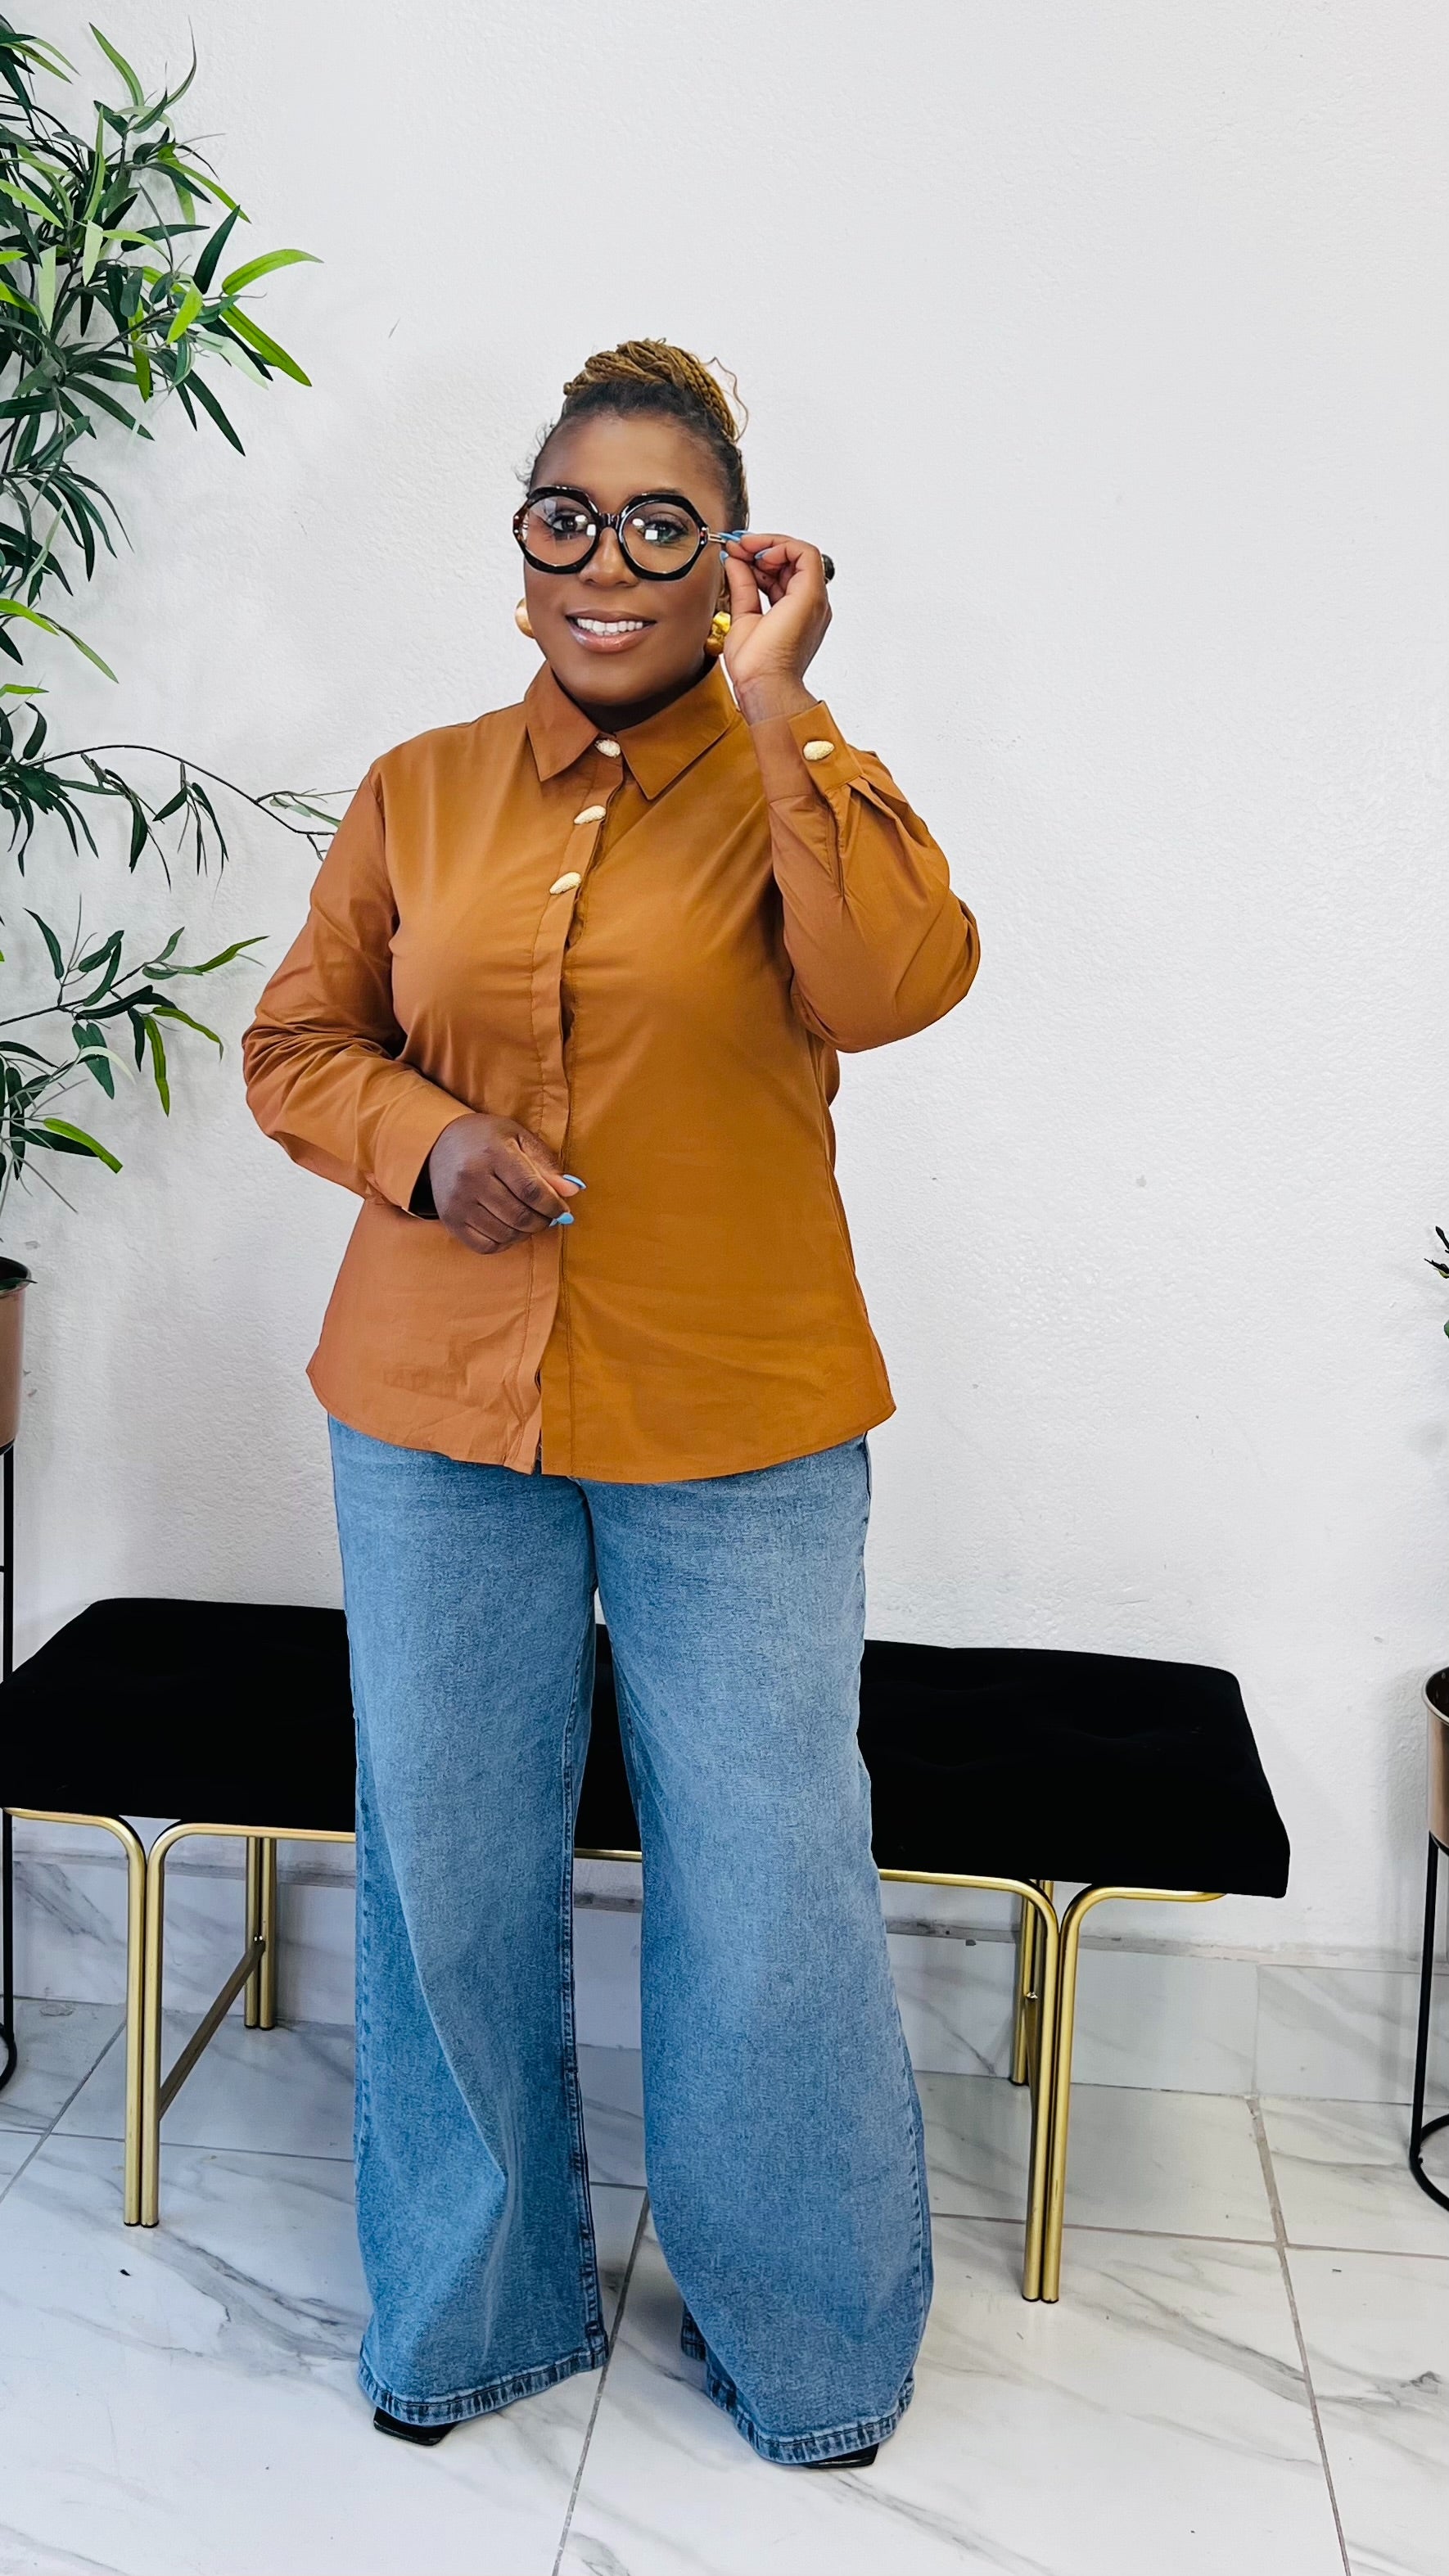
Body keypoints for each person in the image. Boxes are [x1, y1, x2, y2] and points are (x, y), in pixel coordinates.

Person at [243, 339, 980, 2469]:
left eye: (662, 526)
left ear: (733, 564)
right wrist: (427, 1147)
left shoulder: (793, 782)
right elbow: (298, 1044)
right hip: (429, 1408)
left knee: (768, 1880)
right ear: (521, 550)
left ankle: (811, 2350)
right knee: (447, 1865)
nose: (603, 558)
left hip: (737, 1420)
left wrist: (783, 701)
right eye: (565, 515)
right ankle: (470, 2317)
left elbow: (896, 984)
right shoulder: (421, 787)